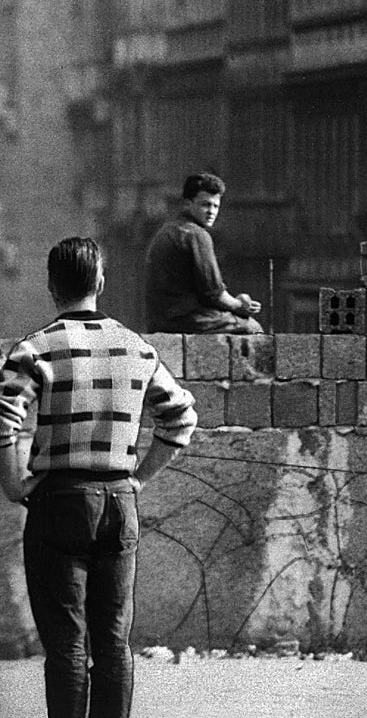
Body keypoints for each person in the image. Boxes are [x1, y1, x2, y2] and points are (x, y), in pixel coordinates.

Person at [0, 237, 198, 718]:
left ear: (51, 287)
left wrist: (12, 484)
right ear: (101, 283)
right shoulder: (138, 348)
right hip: (118, 502)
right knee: (113, 643)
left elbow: (4, 416)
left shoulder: (35, 348)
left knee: (67, 645)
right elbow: (181, 419)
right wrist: (139, 480)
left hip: (58, 501)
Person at [144, 172, 264, 334]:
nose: (211, 212)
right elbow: (214, 294)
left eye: (216, 206)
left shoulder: (167, 230)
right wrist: (240, 305)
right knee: (253, 328)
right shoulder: (196, 234)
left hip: (159, 321)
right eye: (205, 205)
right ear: (188, 204)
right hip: (187, 320)